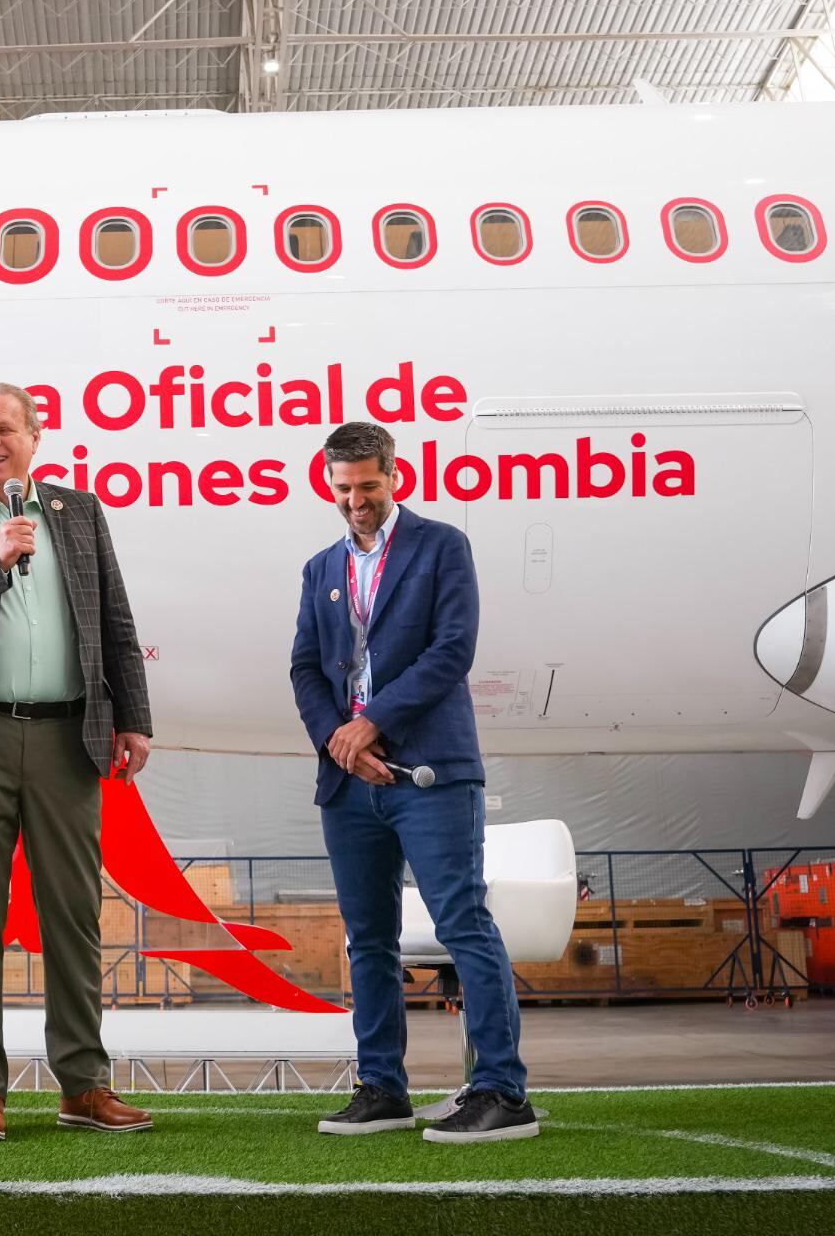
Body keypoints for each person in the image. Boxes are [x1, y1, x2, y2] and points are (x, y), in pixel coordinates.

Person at [0, 382, 155, 1142]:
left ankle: (83, 1084)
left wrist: (133, 717)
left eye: (3, 428)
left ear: (35, 437)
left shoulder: (79, 513)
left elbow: (115, 616)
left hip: (67, 736)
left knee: (73, 914)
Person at [291, 422, 535, 1143]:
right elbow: (305, 667)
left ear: (394, 475)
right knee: (369, 938)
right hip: (350, 783)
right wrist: (340, 742)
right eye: (342, 488)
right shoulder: (319, 568)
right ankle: (382, 1087)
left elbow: (452, 649)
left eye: (367, 485)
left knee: (463, 922)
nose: (355, 501)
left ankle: (500, 1089)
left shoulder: (440, 547)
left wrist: (373, 723)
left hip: (430, 770)